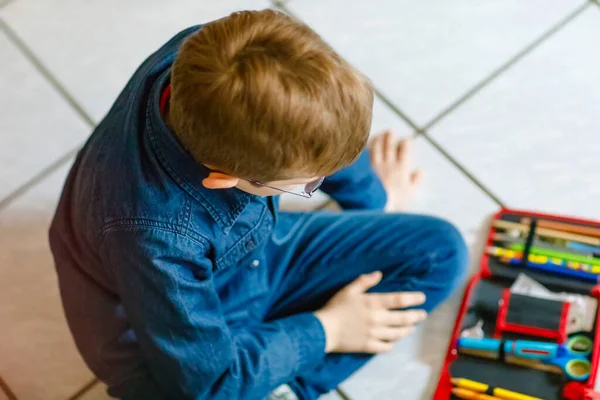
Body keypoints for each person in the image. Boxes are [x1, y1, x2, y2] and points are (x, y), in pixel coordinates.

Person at [49, 9, 468, 400]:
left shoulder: (210, 55)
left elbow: (310, 130)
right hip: (166, 346)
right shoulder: (158, 239)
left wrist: (376, 201)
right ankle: (281, 386)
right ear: (225, 179)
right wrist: (328, 330)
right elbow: (207, 381)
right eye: (306, 185)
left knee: (441, 250)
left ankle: (273, 372)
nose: (318, 184)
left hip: (243, 260)